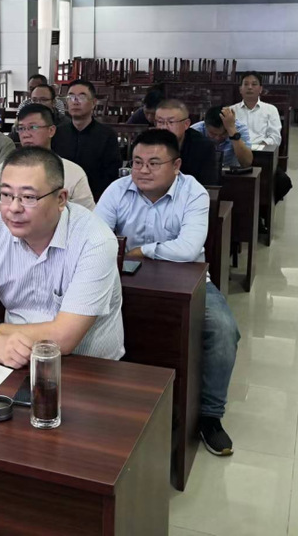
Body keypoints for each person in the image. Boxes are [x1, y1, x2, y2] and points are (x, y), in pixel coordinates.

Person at [95, 129, 240, 456]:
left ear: (176, 165)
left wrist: (140, 251)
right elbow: (96, 237)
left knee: (223, 330)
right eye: (137, 162)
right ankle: (109, 400)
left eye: (153, 163)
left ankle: (210, 416)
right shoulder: (118, 189)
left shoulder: (194, 193)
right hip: (124, 280)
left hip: (187, 282)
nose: (143, 170)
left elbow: (188, 249)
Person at [0, 146, 124, 367]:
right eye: (6, 195)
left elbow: (64, 338)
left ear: (61, 199)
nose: (13, 208)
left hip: (88, 367)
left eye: (28, 197)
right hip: (11, 357)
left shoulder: (95, 240)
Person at [0, 103, 95, 220]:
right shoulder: (7, 167)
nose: (25, 134)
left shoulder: (73, 172)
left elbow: (87, 218)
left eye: (33, 127)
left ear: (51, 130)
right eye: (21, 128)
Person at [51, 79, 120, 200]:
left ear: (93, 102)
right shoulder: (57, 133)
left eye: (81, 97)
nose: (75, 102)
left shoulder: (107, 135)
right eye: (71, 97)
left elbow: (111, 174)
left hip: (95, 198)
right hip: (61, 197)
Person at [231, 71, 293, 205]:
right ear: (240, 89)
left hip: (262, 156)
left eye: (254, 84)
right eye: (246, 84)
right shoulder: (231, 111)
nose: (249, 87)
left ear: (260, 89)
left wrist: (259, 146)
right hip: (237, 156)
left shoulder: (270, 110)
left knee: (283, 182)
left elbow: (275, 138)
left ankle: (265, 208)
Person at [155, 99, 220, 186]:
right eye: (160, 122)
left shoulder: (203, 147)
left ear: (186, 124)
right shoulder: (147, 144)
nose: (164, 127)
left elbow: (208, 186)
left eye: (171, 122)